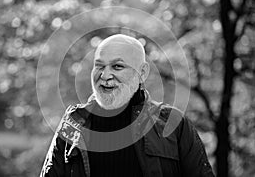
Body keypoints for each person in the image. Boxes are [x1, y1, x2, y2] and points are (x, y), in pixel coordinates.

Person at [40, 34, 215, 177]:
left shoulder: (173, 123)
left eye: (117, 66)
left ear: (142, 73)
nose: (105, 75)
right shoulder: (73, 124)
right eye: (99, 66)